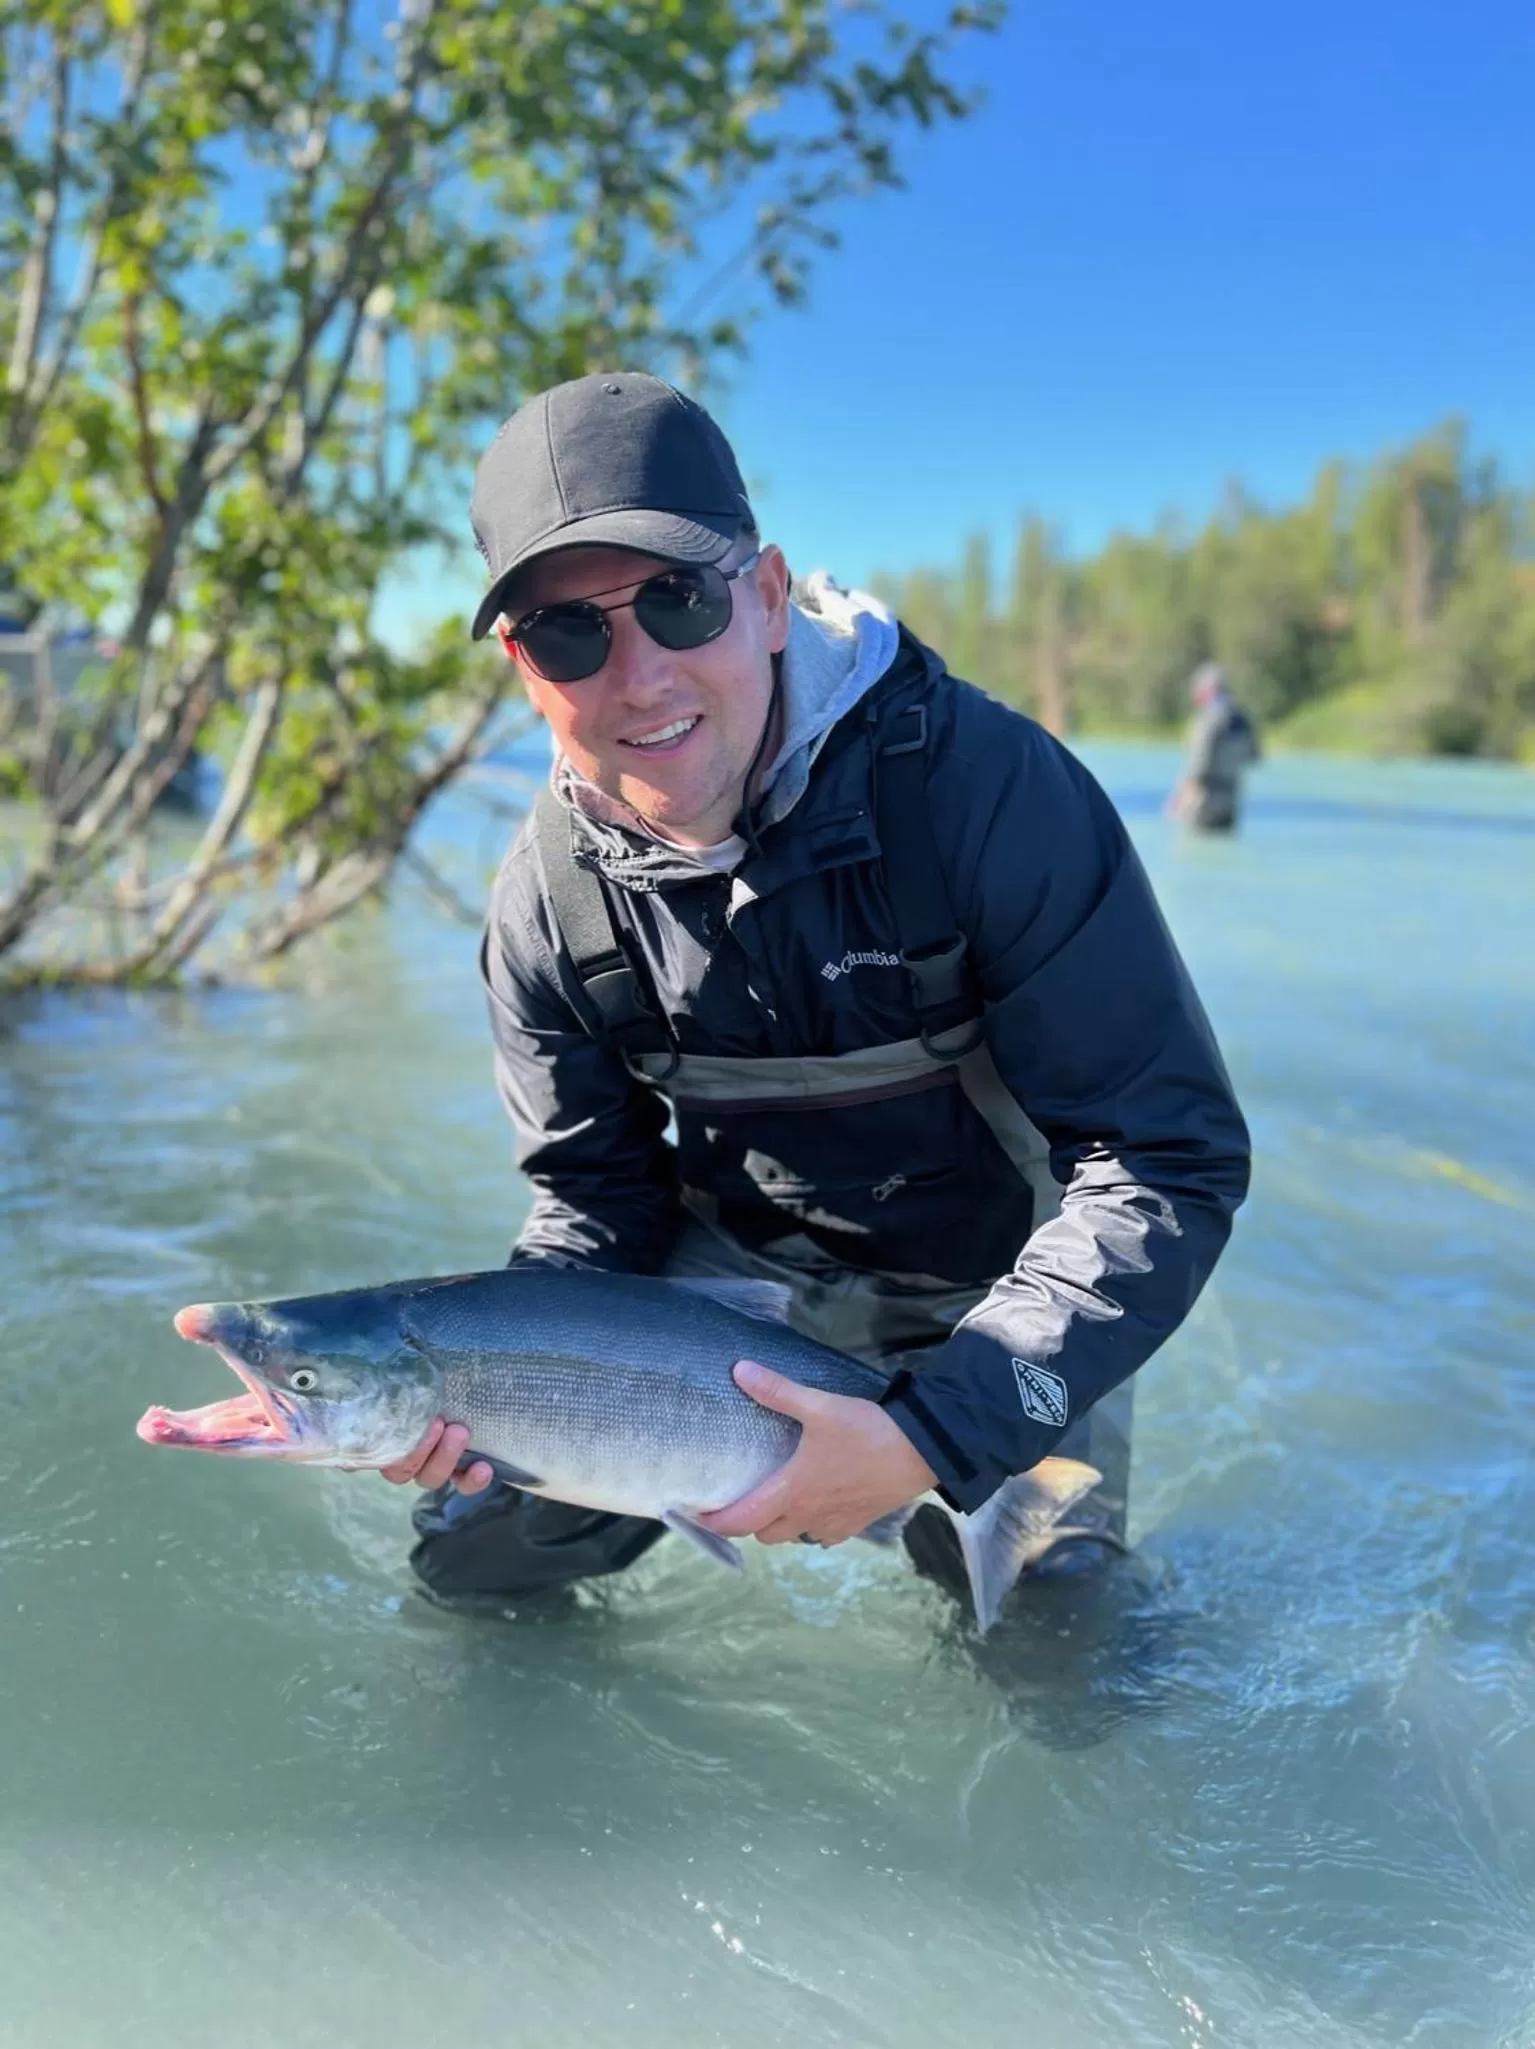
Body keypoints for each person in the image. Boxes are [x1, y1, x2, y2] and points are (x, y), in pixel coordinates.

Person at [382, 371, 1251, 1617]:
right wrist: (484, 1390)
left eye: (676, 601)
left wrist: (939, 1433)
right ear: (523, 666)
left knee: (1058, 1625)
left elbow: (1163, 1158)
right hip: (725, 1283)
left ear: (770, 597)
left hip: (1002, 1291)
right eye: (572, 634)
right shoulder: (544, 904)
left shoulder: (987, 794)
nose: (637, 678)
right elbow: (591, 1206)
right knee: (472, 1554)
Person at [1168, 662, 1261, 834]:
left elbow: (1198, 764)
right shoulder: (1242, 718)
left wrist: (1179, 802)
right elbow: (1254, 757)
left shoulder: (1209, 719)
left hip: (1204, 799)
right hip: (1231, 799)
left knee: (1196, 854)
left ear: (1207, 690)